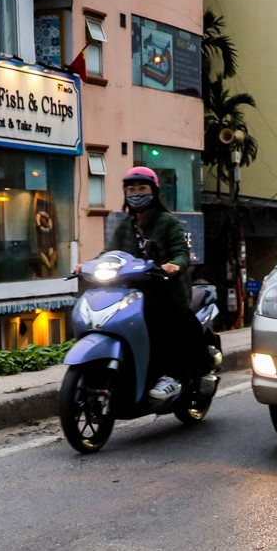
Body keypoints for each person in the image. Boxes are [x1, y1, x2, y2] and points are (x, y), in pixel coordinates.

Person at [108, 166, 206, 398]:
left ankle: (171, 376)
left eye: (142, 188)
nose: (136, 193)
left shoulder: (167, 222)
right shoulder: (125, 226)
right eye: (131, 189)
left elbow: (182, 252)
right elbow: (109, 252)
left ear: (154, 191)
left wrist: (175, 265)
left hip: (167, 290)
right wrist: (88, 265)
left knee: (161, 323)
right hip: (134, 289)